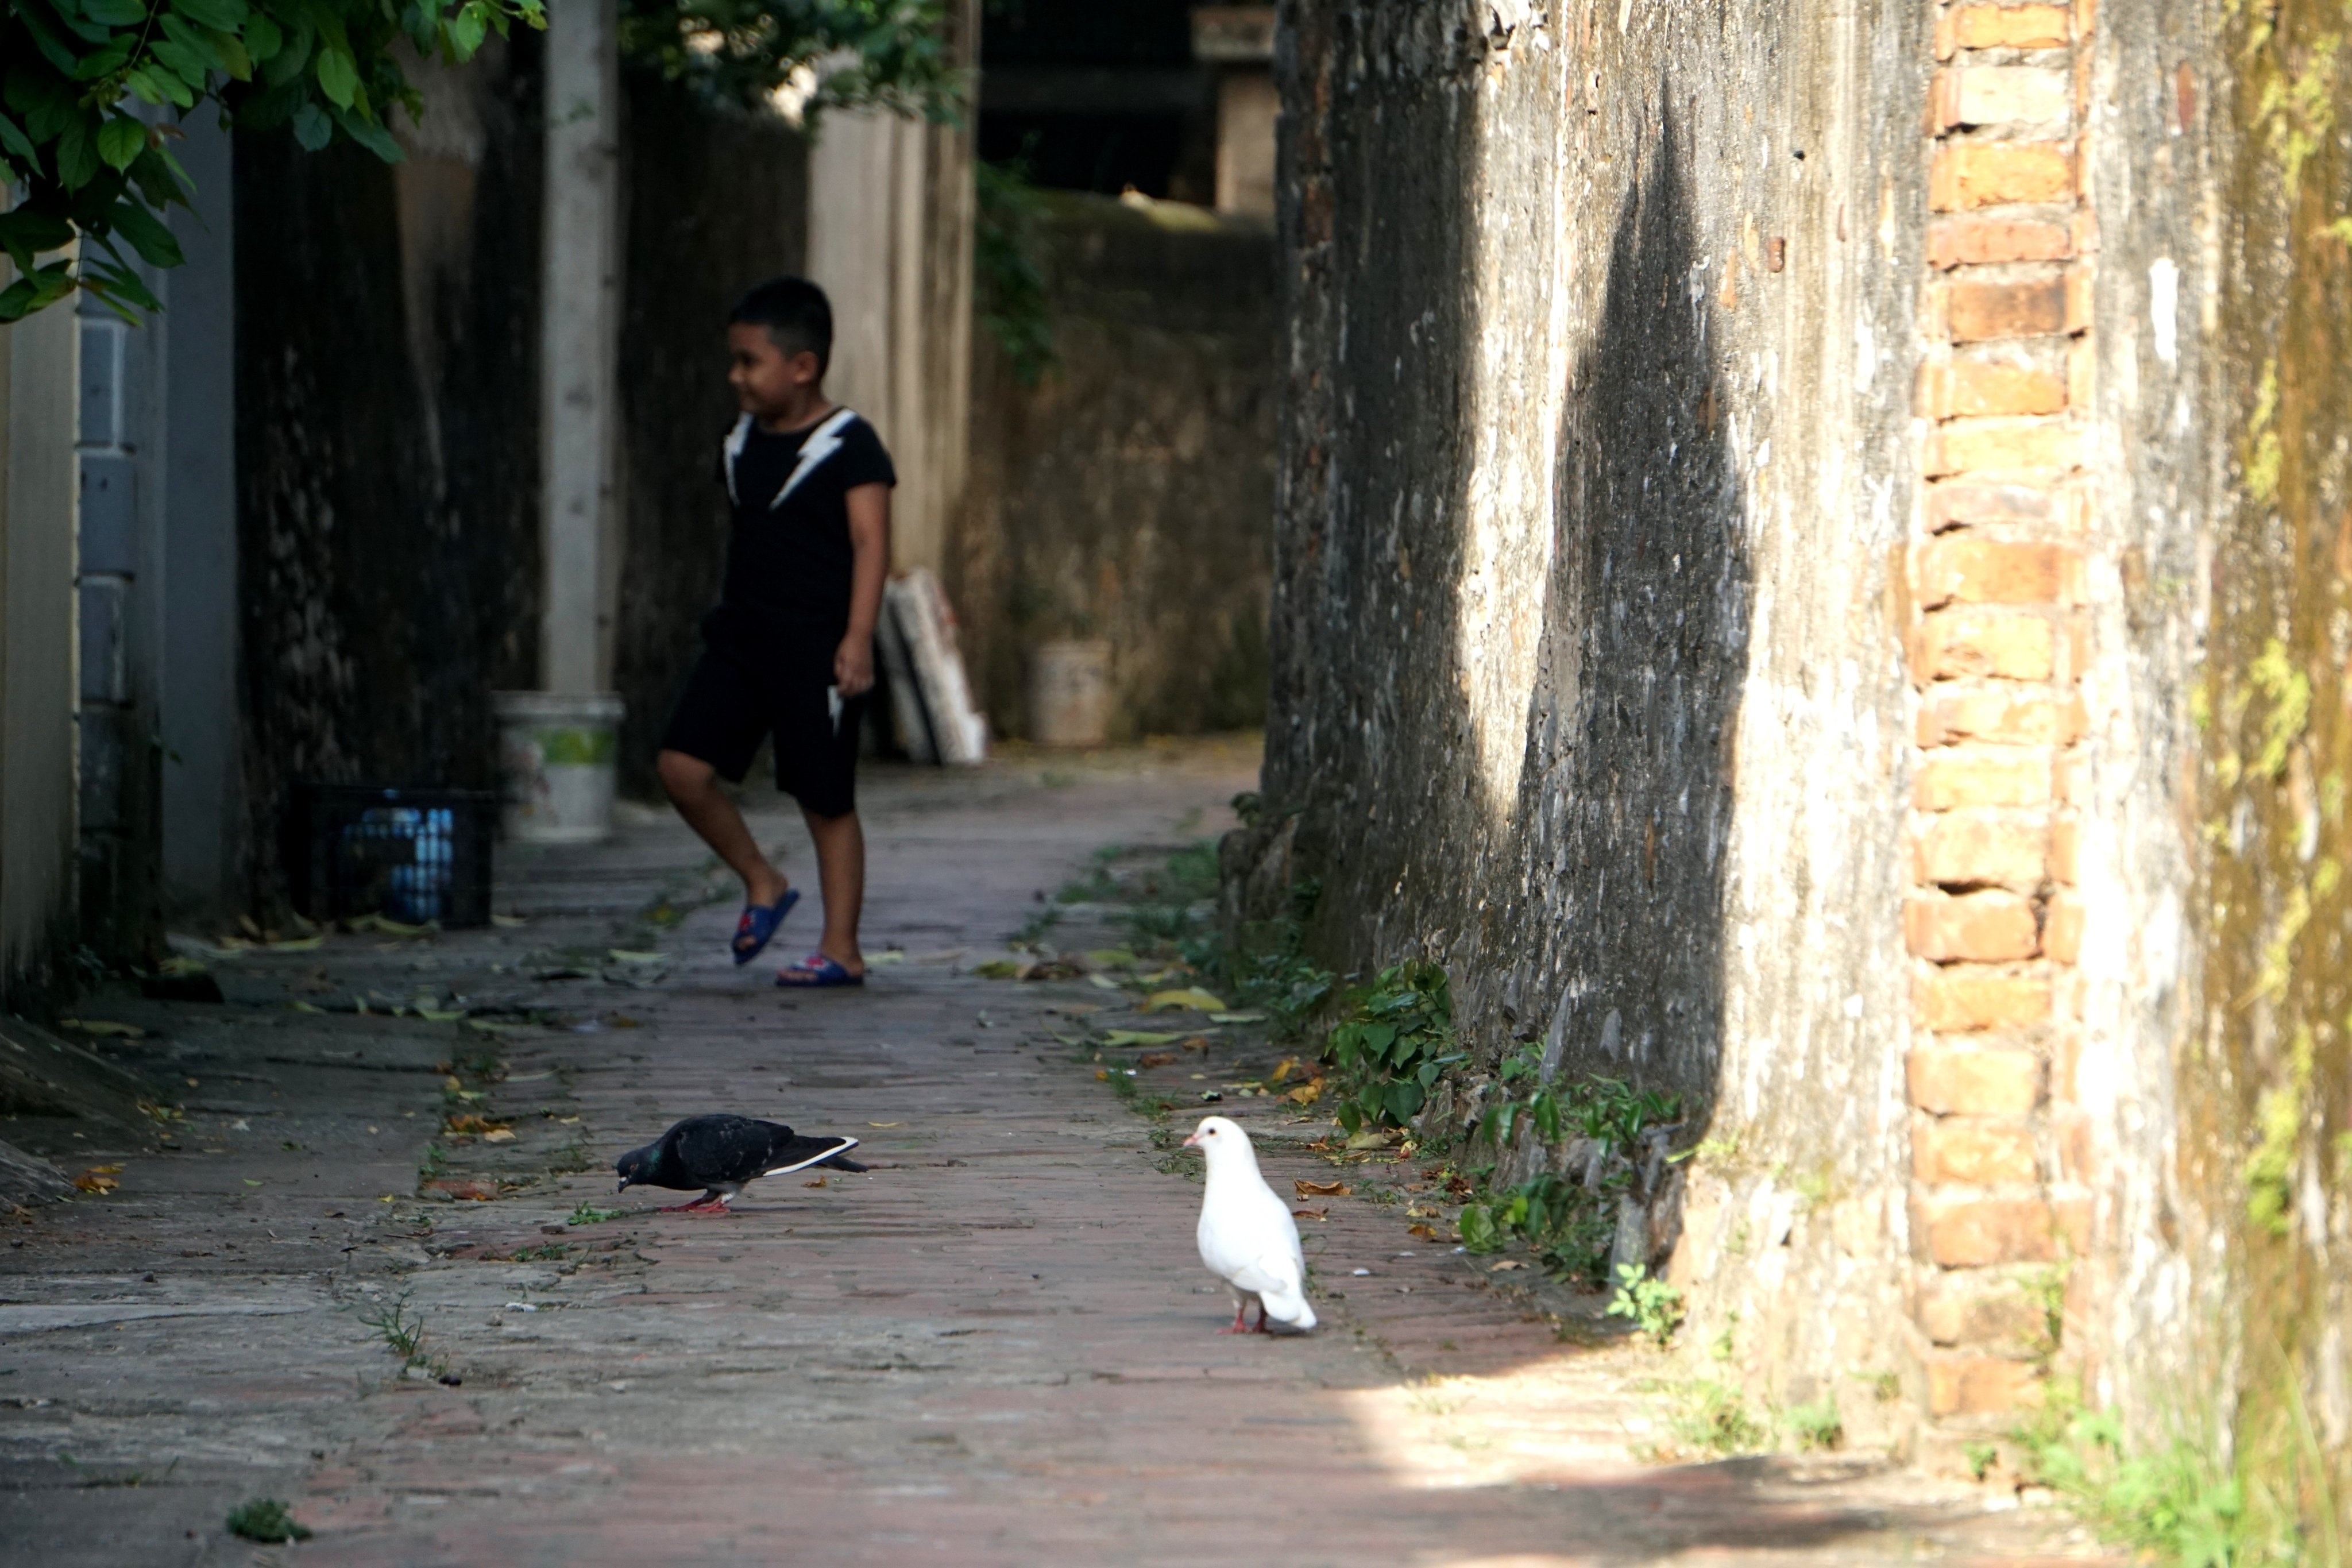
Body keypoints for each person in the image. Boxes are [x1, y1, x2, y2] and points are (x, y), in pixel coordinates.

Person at [654, 276, 893, 987]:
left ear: (803, 366)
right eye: (735, 361)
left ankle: (841, 948)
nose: (737, 377)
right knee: (681, 769)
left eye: (749, 362)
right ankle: (761, 880)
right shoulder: (740, 442)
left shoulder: (849, 444)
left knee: (825, 796)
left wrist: (856, 637)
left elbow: (870, 543)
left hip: (818, 646)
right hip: (742, 639)